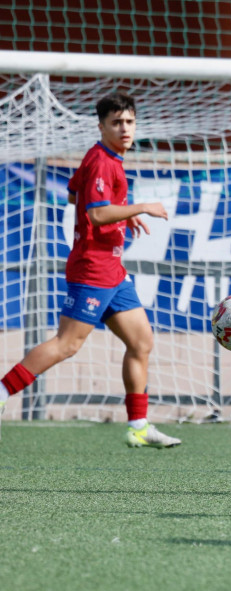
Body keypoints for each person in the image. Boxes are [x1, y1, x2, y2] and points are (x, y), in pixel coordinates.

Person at [0, 92, 180, 448]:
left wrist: (122, 219)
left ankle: (139, 427)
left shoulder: (108, 159)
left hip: (112, 268)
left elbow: (75, 195)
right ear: (101, 127)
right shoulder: (101, 160)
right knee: (67, 344)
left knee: (141, 341)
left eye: (129, 121)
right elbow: (96, 213)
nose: (124, 128)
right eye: (116, 122)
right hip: (92, 268)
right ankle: (3, 389)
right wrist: (138, 208)